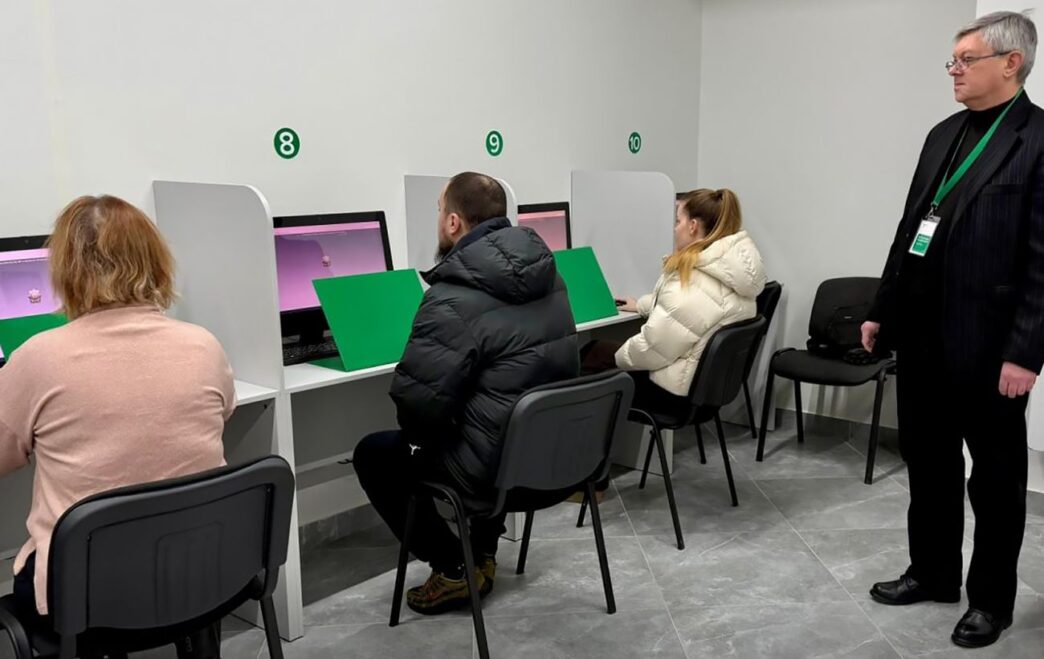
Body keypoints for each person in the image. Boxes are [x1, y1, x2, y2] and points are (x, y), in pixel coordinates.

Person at [863, 11, 1044, 649]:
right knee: (929, 466)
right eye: (953, 60)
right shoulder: (943, 134)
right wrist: (882, 308)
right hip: (922, 339)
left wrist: (1026, 352)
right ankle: (932, 572)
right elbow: (912, 228)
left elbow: (1042, 262)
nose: (955, 71)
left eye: (967, 60)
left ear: (1011, 63)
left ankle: (990, 601)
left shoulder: (1037, 139)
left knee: (994, 482)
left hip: (990, 347)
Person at [0, 195, 235, 658]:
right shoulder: (204, 345)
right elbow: (222, 414)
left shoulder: (37, 358)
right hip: (202, 576)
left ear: (65, 269)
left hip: (86, 600)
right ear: (156, 262)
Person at [353, 172, 579, 615]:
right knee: (490, 416)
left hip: (495, 471)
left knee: (375, 455)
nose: (438, 219)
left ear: (454, 222)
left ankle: (455, 566)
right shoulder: (550, 277)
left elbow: (416, 403)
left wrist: (420, 441)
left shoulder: (451, 296)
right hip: (551, 456)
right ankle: (484, 553)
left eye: (439, 210)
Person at [582, 188, 765, 414]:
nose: (674, 229)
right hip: (706, 395)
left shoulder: (689, 281)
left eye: (678, 221)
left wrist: (616, 358)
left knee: (593, 352)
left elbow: (652, 349)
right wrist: (641, 305)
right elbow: (693, 310)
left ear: (693, 226)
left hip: (671, 396)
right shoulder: (734, 275)